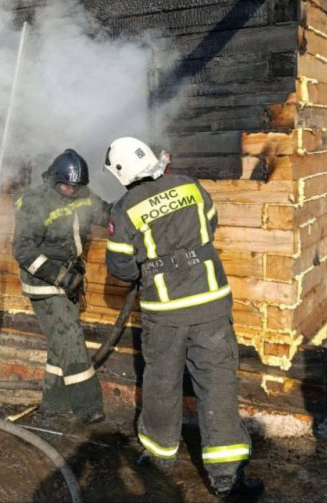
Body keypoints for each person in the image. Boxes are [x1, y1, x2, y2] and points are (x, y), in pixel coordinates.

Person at [103, 137, 262, 499]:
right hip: (210, 303)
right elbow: (210, 223)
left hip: (164, 312)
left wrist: (150, 263)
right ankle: (227, 477)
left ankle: (159, 458)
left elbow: (121, 267)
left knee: (161, 380)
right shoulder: (189, 185)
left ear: (122, 171)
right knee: (217, 381)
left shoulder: (124, 208)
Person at [12, 149, 110, 424]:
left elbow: (108, 214)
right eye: (66, 185)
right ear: (54, 179)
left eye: (76, 186)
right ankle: (88, 405)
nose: (71, 190)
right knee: (71, 338)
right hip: (45, 285)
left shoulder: (84, 197)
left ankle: (54, 405)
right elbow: (22, 249)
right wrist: (58, 276)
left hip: (70, 280)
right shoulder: (35, 203)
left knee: (59, 344)